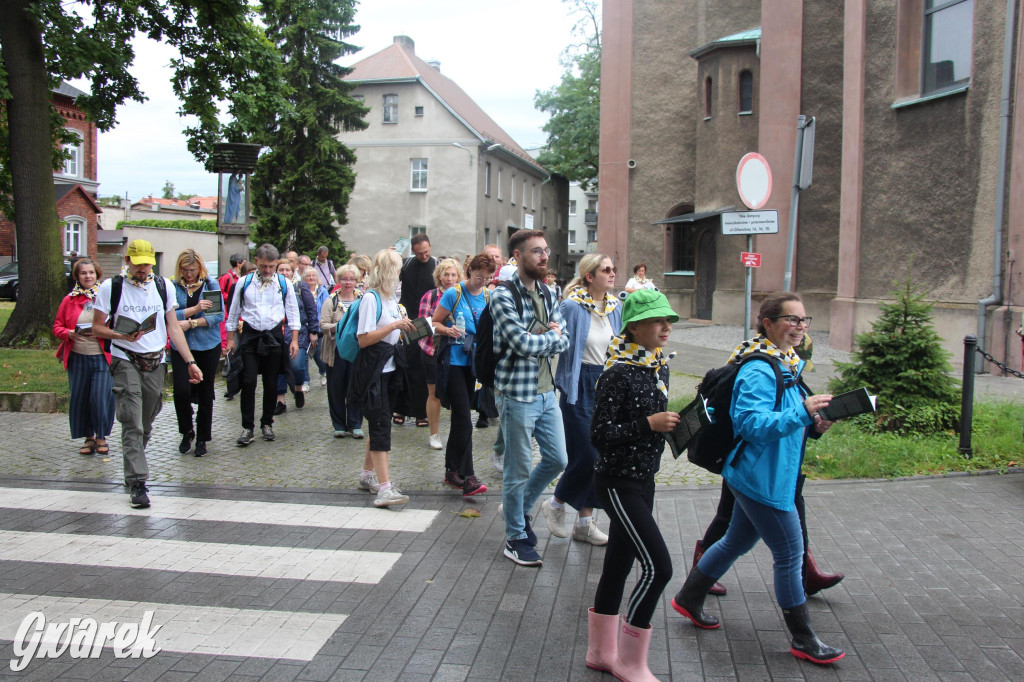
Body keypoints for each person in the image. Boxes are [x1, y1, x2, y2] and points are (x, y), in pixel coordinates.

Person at [671, 292, 845, 665]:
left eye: (803, 320)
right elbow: (751, 424)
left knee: (735, 540)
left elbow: (786, 416)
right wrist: (802, 413)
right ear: (768, 323)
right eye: (791, 319)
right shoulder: (759, 368)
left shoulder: (787, 363)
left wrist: (815, 423)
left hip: (767, 473)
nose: (799, 327)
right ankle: (803, 637)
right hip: (760, 477)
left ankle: (688, 597)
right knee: (788, 553)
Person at [585, 290, 680, 680]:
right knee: (659, 567)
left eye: (669, 321)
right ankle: (629, 659)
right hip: (617, 481)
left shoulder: (659, 367)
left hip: (645, 479)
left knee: (619, 564)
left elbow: (655, 426)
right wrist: (649, 425)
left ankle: (600, 652)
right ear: (634, 327)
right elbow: (600, 434)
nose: (666, 328)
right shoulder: (617, 373)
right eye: (658, 321)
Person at [91, 239, 203, 508]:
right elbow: (97, 328)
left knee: (146, 421)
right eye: (138, 263)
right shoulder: (112, 287)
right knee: (132, 422)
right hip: (124, 359)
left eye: (147, 264)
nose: (143, 268)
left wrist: (190, 361)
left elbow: (173, 327)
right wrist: (122, 336)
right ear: (127, 261)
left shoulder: (162, 286)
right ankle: (138, 482)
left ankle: (133, 462)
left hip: (156, 361)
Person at [492, 229, 569, 567]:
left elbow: (564, 339)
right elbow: (520, 344)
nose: (544, 256)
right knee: (517, 468)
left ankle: (520, 509)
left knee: (558, 459)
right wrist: (549, 336)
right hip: (516, 394)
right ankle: (515, 537)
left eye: (546, 250)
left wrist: (548, 336)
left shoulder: (550, 292)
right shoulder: (502, 296)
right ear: (518, 256)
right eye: (536, 251)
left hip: (546, 392)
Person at [542, 254, 620, 547]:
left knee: (600, 457)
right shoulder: (572, 307)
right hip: (579, 383)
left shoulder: (614, 307)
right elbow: (560, 344)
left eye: (613, 269)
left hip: (605, 383)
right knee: (587, 455)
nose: (612, 274)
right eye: (606, 270)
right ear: (590, 276)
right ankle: (557, 502)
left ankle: (585, 522)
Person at [347, 249, 416, 507]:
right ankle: (385, 488)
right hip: (373, 372)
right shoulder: (371, 299)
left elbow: (390, 334)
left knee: (380, 422)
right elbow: (364, 339)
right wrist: (394, 326)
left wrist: (406, 327)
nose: (400, 275)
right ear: (388, 272)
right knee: (380, 426)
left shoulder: (391, 300)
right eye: (397, 270)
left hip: (389, 370)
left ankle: (367, 476)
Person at [225, 243, 301, 446]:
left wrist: (294, 339)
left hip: (274, 337)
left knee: (270, 382)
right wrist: (231, 338)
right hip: (250, 336)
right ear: (256, 262)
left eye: (271, 266)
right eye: (264, 266)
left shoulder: (283, 283)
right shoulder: (244, 282)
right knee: (248, 381)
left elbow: (293, 312)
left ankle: (267, 422)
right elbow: (233, 311)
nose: (268, 270)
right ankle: (247, 427)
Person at [433, 253, 495, 497]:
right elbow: (434, 322)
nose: (483, 282)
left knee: (462, 418)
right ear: (469, 271)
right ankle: (468, 477)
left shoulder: (489, 296)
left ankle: (451, 471)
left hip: (475, 363)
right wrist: (448, 330)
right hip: (455, 361)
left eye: (488, 278)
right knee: (463, 417)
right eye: (479, 276)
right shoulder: (453, 293)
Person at [53, 258, 114, 456]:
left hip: (101, 357)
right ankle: (88, 437)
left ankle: (101, 436)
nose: (88, 276)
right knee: (81, 398)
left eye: (91, 272)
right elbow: (57, 327)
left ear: (97, 275)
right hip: (77, 356)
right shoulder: (69, 299)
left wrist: (102, 331)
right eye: (83, 273)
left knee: (99, 397)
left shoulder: (106, 297)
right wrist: (68, 333)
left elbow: (117, 324)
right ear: (77, 276)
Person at [169, 250, 223, 457]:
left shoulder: (210, 285)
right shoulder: (173, 287)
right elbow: (170, 314)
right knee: (181, 391)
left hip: (207, 345)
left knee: (205, 392)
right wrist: (195, 309)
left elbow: (217, 315)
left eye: (192, 270)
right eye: (184, 270)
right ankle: (187, 430)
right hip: (181, 347)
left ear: (199, 268)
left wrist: (191, 322)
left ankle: (202, 438)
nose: (188, 274)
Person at [418, 258, 463, 450]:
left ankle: (456, 433)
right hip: (432, 350)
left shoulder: (463, 295)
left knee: (457, 395)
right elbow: (423, 325)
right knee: (434, 393)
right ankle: (434, 434)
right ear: (439, 276)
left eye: (453, 275)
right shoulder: (430, 296)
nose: (450, 279)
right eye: (446, 274)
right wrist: (444, 329)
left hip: (456, 351)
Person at [395, 233, 437, 427]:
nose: (423, 256)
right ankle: (401, 409)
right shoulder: (405, 265)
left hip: (427, 323)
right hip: (406, 320)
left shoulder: (437, 265)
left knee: (421, 368)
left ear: (431, 247)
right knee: (403, 365)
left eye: (426, 252)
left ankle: (421, 413)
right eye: (420, 253)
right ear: (413, 251)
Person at [321, 265, 364, 438]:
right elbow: (323, 325)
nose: (348, 283)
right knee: (336, 387)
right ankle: (339, 424)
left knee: (355, 387)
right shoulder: (330, 301)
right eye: (345, 279)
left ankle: (355, 423)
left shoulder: (363, 299)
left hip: (356, 350)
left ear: (357, 281)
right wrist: (340, 328)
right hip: (336, 350)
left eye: (352, 279)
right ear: (339, 281)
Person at [273, 260, 318, 411]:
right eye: (281, 270)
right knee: (278, 366)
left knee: (297, 365)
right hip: (277, 332)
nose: (284, 273)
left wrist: (313, 331)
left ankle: (298, 387)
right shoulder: (272, 287)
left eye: (287, 270)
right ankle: (281, 400)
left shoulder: (300, 287)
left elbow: (311, 310)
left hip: (299, 332)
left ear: (293, 272)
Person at [303, 267, 330, 386]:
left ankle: (323, 371)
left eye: (313, 275)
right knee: (304, 357)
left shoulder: (322, 291)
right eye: (308, 276)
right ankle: (305, 381)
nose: (311, 278)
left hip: (319, 328)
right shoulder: (301, 291)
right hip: (304, 328)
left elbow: (326, 308)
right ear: (304, 278)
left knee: (319, 355)